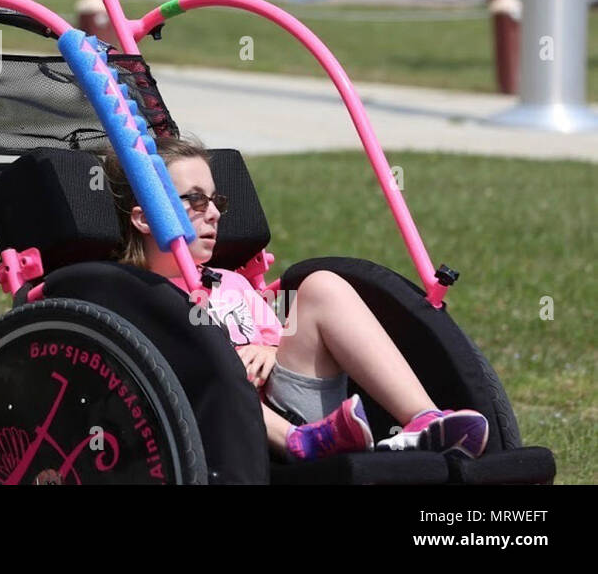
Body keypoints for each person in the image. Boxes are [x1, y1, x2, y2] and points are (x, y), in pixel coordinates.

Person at [103, 136, 490, 462]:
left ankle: (424, 419)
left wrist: (269, 350)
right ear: (145, 219)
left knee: (322, 286)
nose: (216, 213)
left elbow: (279, 338)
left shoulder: (232, 284)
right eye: (197, 201)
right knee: (205, 362)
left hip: (295, 407)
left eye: (216, 199)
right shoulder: (133, 297)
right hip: (216, 431)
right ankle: (294, 438)